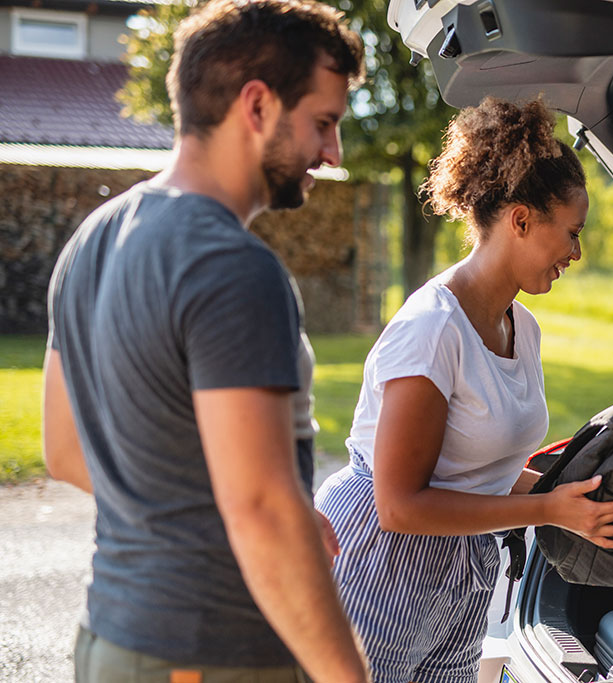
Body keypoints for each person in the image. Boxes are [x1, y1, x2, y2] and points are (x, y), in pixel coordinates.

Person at [42, 0, 370, 680]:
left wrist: (211, 509)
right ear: (257, 106)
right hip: (212, 653)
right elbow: (262, 512)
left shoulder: (91, 240)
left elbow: (66, 451)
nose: (333, 154)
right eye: (324, 124)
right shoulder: (232, 265)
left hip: (111, 641)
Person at [315, 97, 613, 683]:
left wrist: (581, 494)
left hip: (464, 565)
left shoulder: (522, 329)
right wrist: (549, 509)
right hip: (377, 556)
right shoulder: (433, 330)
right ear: (520, 220)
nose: (576, 252)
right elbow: (399, 506)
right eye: (571, 233)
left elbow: (481, 472)